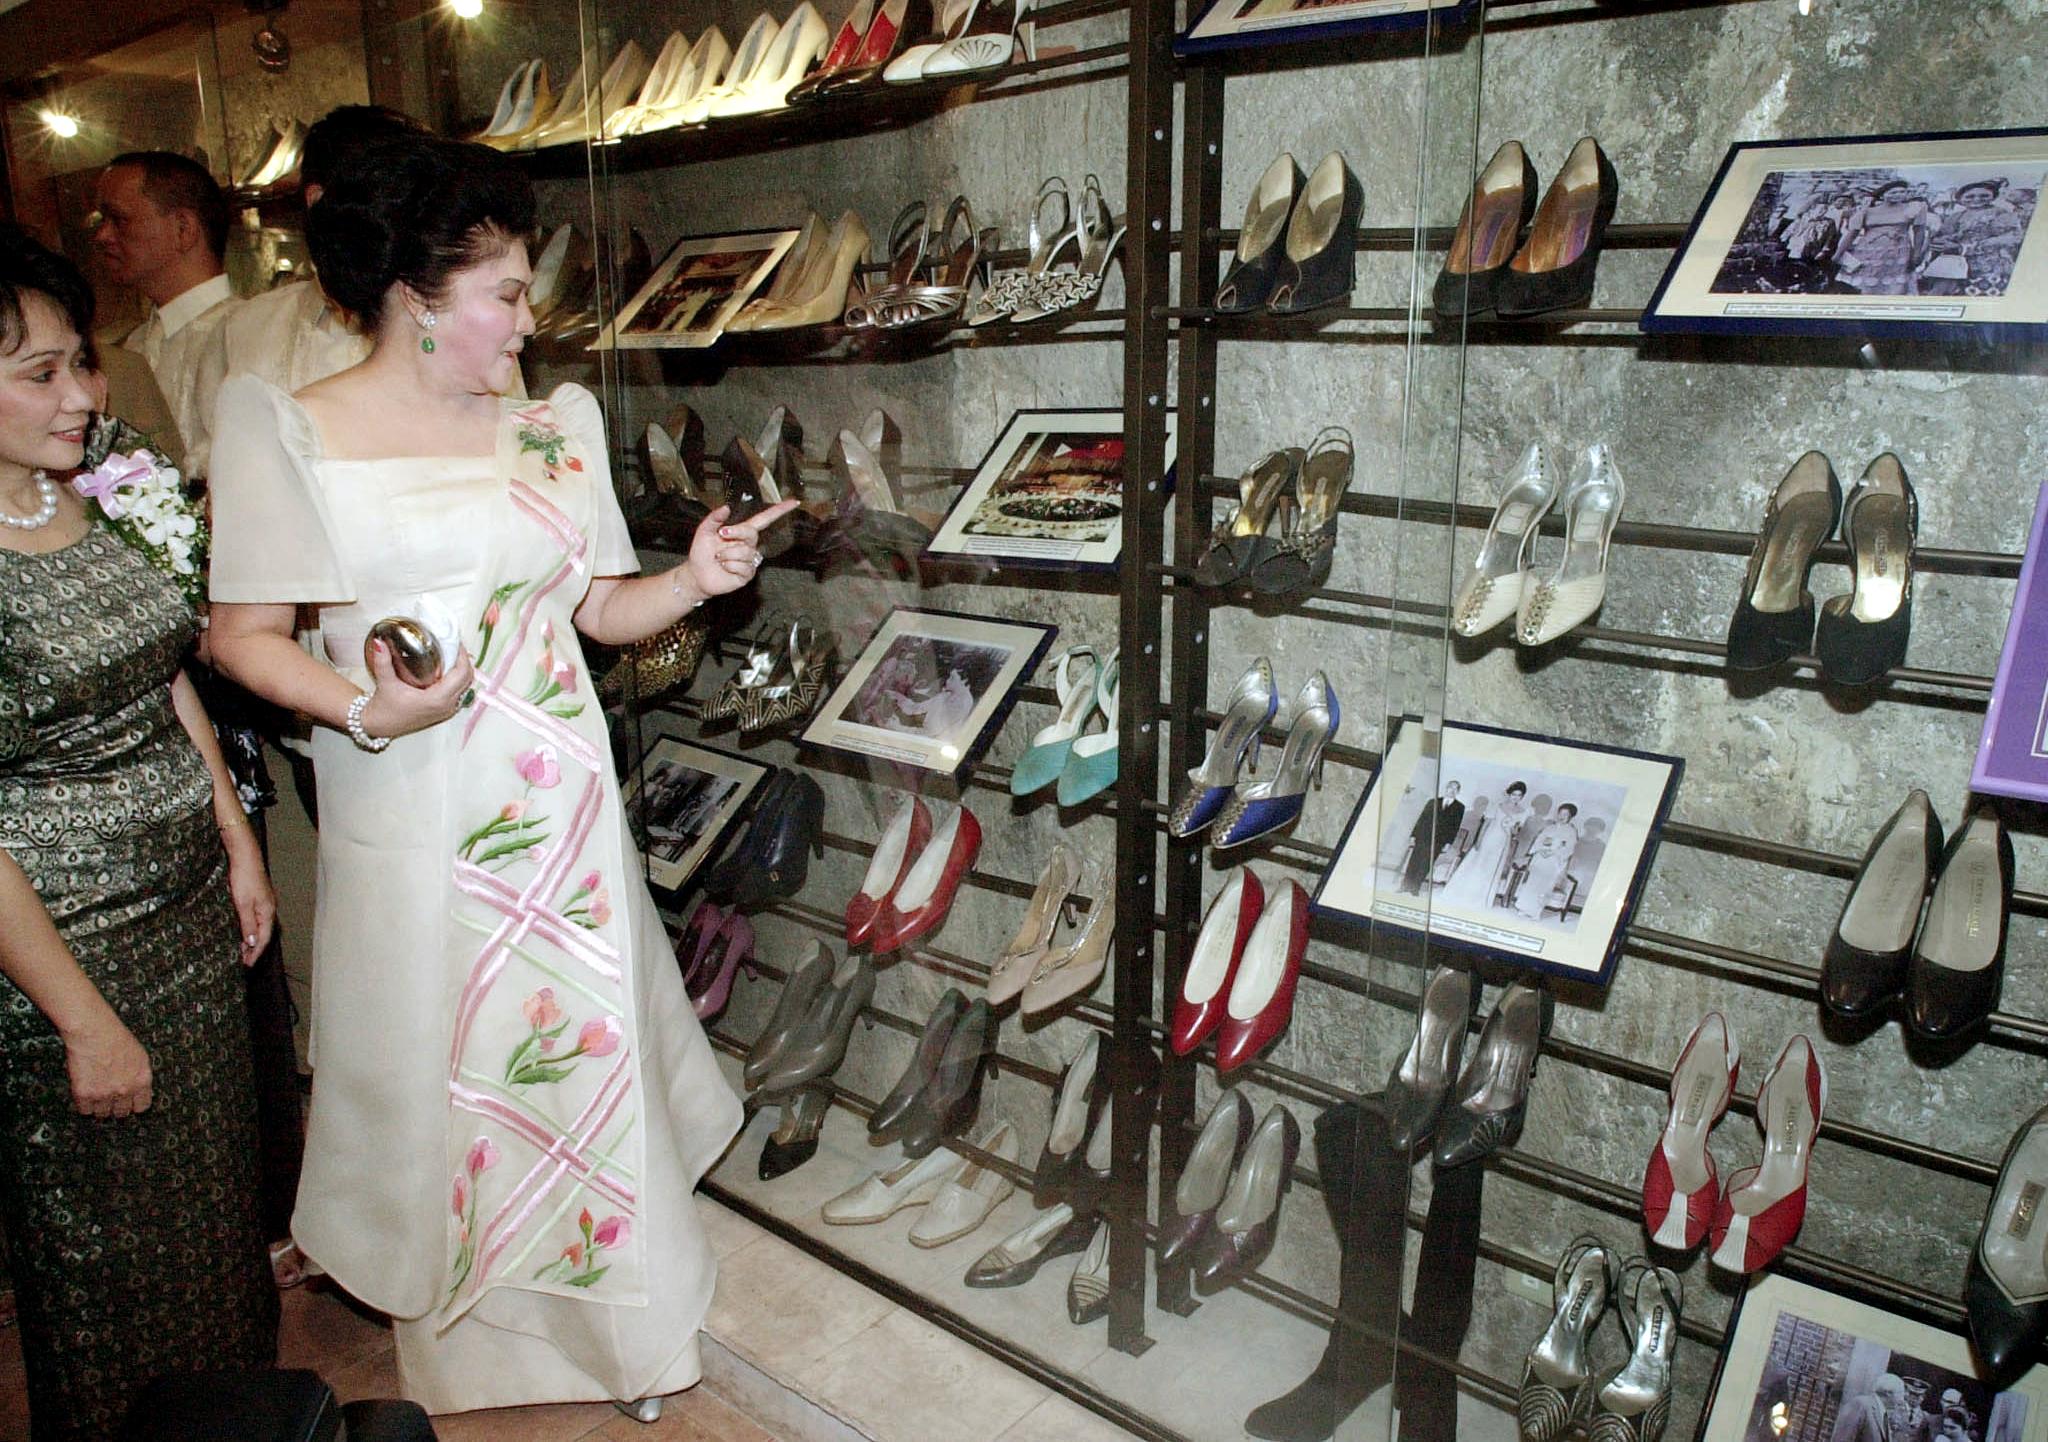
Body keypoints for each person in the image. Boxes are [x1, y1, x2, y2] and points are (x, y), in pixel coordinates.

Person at [206, 137, 794, 1417]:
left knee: (581, 1056)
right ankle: (484, 1346)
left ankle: (622, 1337)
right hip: (413, 806)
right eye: (506, 293)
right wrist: (368, 702)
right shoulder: (287, 431)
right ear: (416, 300)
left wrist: (693, 577)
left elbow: (594, 608)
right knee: (451, 1068)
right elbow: (241, 638)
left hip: (561, 819)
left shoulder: (552, 426)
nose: (530, 317)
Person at [0, 227, 278, 1442]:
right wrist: (81, 1017)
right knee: (110, 1271)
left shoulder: (102, 476)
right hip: (66, 952)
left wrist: (235, 836)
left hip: (186, 920)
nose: (81, 396)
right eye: (40, 375)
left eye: (82, 364)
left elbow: (165, 671)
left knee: (219, 1230)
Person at [217, 104, 430, 396]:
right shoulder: (252, 327)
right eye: (386, 194)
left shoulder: (455, 320)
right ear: (318, 201)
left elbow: (507, 433)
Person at [93, 151, 241, 477]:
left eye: (118, 219)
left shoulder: (250, 333)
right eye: (101, 221)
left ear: (184, 229)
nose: (103, 236)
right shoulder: (129, 344)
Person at [1439, 780, 1531, 910]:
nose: (1515, 797)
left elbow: (1515, 833)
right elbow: (1485, 824)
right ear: (1509, 794)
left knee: (1491, 869)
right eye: (1514, 794)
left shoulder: (1523, 812)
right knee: (1478, 865)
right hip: (1489, 839)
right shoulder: (1497, 805)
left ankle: (1480, 898)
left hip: (1503, 843)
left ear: (1522, 797)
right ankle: (1464, 893)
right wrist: (1479, 840)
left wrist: (1514, 828)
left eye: (1519, 795)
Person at [1514, 802, 1581, 920]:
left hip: (1554, 861)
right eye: (1560, 813)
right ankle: (1524, 908)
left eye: (1565, 814)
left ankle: (1535, 912)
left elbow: (1569, 848)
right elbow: (1539, 840)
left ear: (1570, 816)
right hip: (1540, 858)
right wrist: (1539, 850)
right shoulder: (1549, 827)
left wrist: (1554, 853)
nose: (1562, 816)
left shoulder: (1571, 832)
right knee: (1532, 884)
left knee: (1544, 886)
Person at [1397, 780, 1464, 894]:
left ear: (1458, 792)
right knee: (1414, 861)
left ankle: (1415, 888)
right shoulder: (1433, 802)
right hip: (1423, 837)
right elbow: (1421, 819)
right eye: (1450, 787)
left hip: (1439, 841)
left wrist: (1448, 843)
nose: (1452, 790)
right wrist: (1413, 835)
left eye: (1455, 789)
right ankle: (1405, 886)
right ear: (1446, 788)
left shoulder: (1459, 807)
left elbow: (1455, 827)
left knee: (1426, 864)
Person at [1832, 1373, 1906, 1442]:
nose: (1902, 1400)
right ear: (1888, 1393)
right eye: (1901, 1394)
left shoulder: (1883, 1415)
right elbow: (1843, 1438)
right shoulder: (1860, 1405)